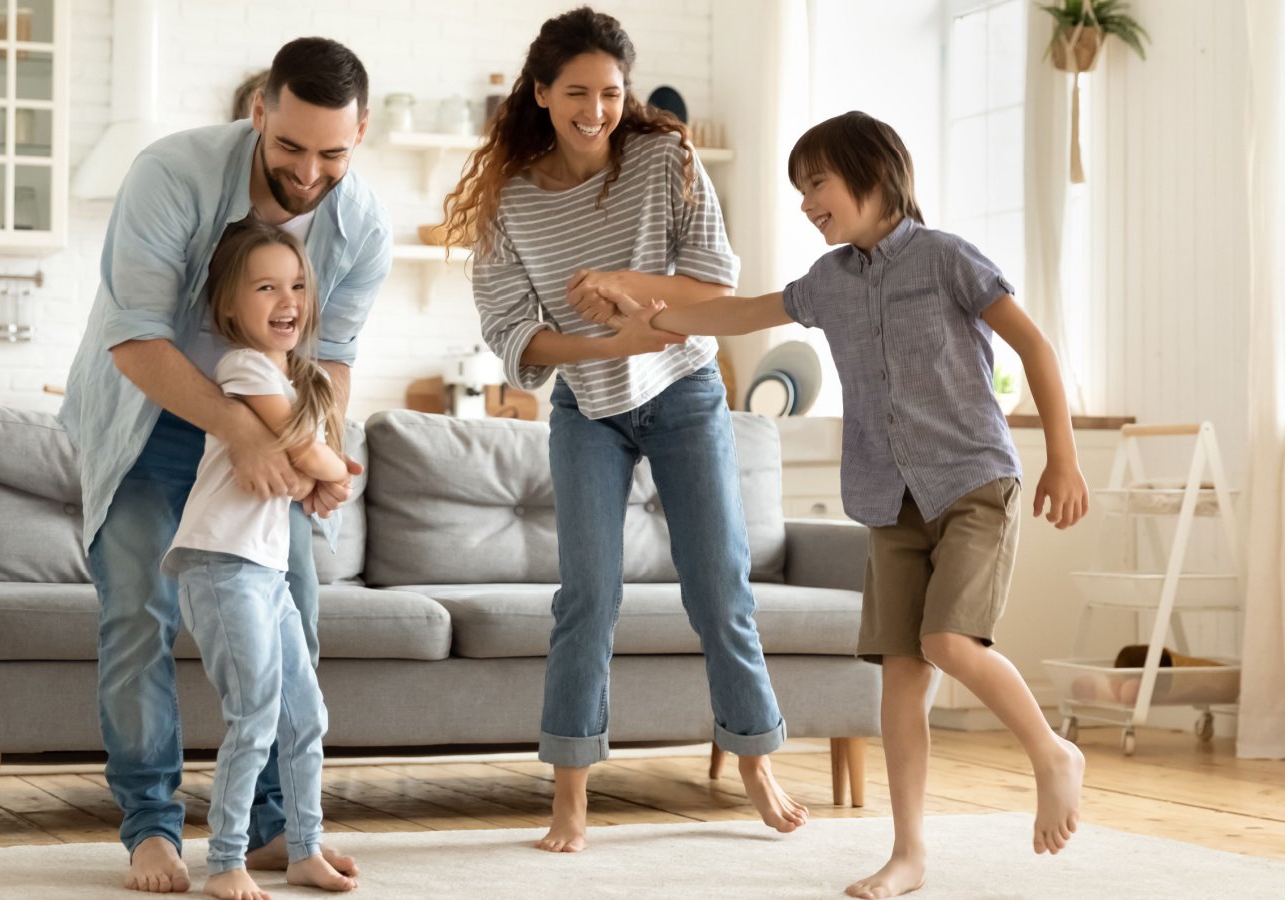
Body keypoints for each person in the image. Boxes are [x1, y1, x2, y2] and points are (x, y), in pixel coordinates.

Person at [628, 110, 1090, 898]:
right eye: (800, 188)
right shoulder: (830, 284)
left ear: (875, 173)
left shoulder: (947, 259)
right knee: (901, 678)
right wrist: (655, 319)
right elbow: (746, 312)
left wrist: (1064, 459)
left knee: (947, 642)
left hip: (973, 482)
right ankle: (908, 852)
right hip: (890, 501)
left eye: (818, 182)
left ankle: (1052, 751)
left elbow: (1034, 346)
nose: (807, 201)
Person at [441, 5, 809, 854]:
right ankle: (570, 795)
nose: (596, 110)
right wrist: (610, 339)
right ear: (541, 93)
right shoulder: (510, 201)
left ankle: (754, 758)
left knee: (720, 585)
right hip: (588, 407)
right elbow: (509, 332)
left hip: (683, 392)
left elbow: (715, 278)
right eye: (577, 92)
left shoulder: (665, 157)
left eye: (611, 92)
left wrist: (619, 285)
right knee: (588, 598)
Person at [60, 37, 392, 893]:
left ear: (362, 134)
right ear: (257, 115)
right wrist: (243, 434)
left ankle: (279, 829)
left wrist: (313, 450)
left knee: (296, 626)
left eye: (333, 152)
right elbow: (135, 336)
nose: (309, 171)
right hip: (150, 417)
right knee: (139, 616)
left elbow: (336, 358)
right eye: (290, 147)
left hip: (273, 425)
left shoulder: (362, 225)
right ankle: (151, 829)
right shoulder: (171, 174)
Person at [166, 221, 354, 899]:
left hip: (265, 570)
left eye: (297, 285)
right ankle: (224, 863)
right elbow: (312, 456)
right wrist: (330, 471)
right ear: (230, 307)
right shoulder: (243, 366)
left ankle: (303, 848)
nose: (287, 299)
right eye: (267, 286)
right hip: (221, 564)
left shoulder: (292, 377)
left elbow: (312, 461)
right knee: (256, 716)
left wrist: (323, 470)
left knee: (307, 716)